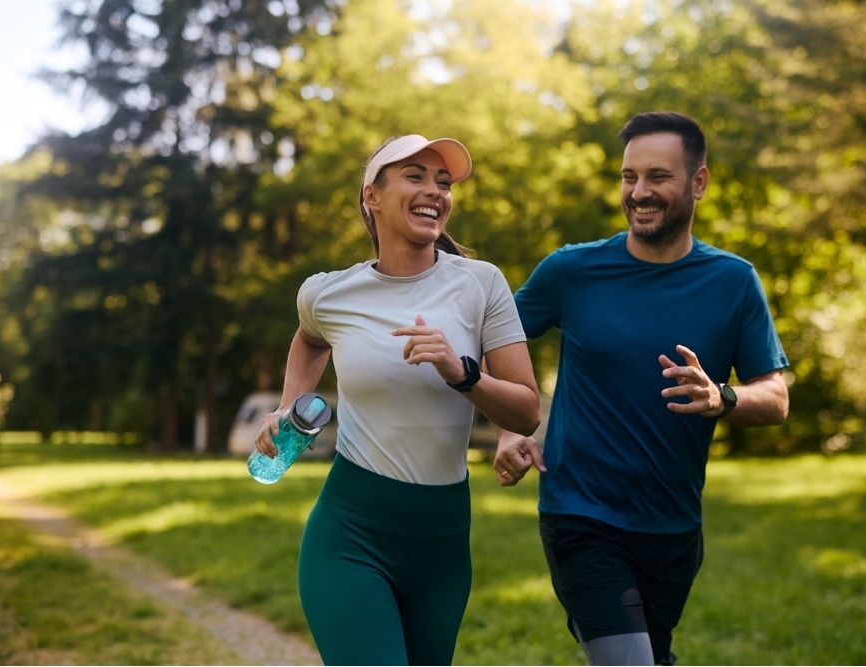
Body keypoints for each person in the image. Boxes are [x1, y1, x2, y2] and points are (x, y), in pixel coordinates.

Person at [494, 111, 790, 665]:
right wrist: (511, 426)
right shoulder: (572, 271)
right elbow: (495, 339)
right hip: (580, 514)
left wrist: (721, 397)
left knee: (652, 658)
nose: (639, 192)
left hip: (674, 525)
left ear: (698, 182)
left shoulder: (733, 281)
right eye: (629, 177)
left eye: (658, 177)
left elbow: (774, 398)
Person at [254, 134, 541, 666]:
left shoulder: (482, 285)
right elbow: (309, 337)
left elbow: (525, 409)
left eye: (444, 182)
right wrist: (289, 404)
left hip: (443, 542)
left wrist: (462, 373)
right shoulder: (328, 293)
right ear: (372, 196)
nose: (435, 190)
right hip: (351, 534)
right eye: (415, 176)